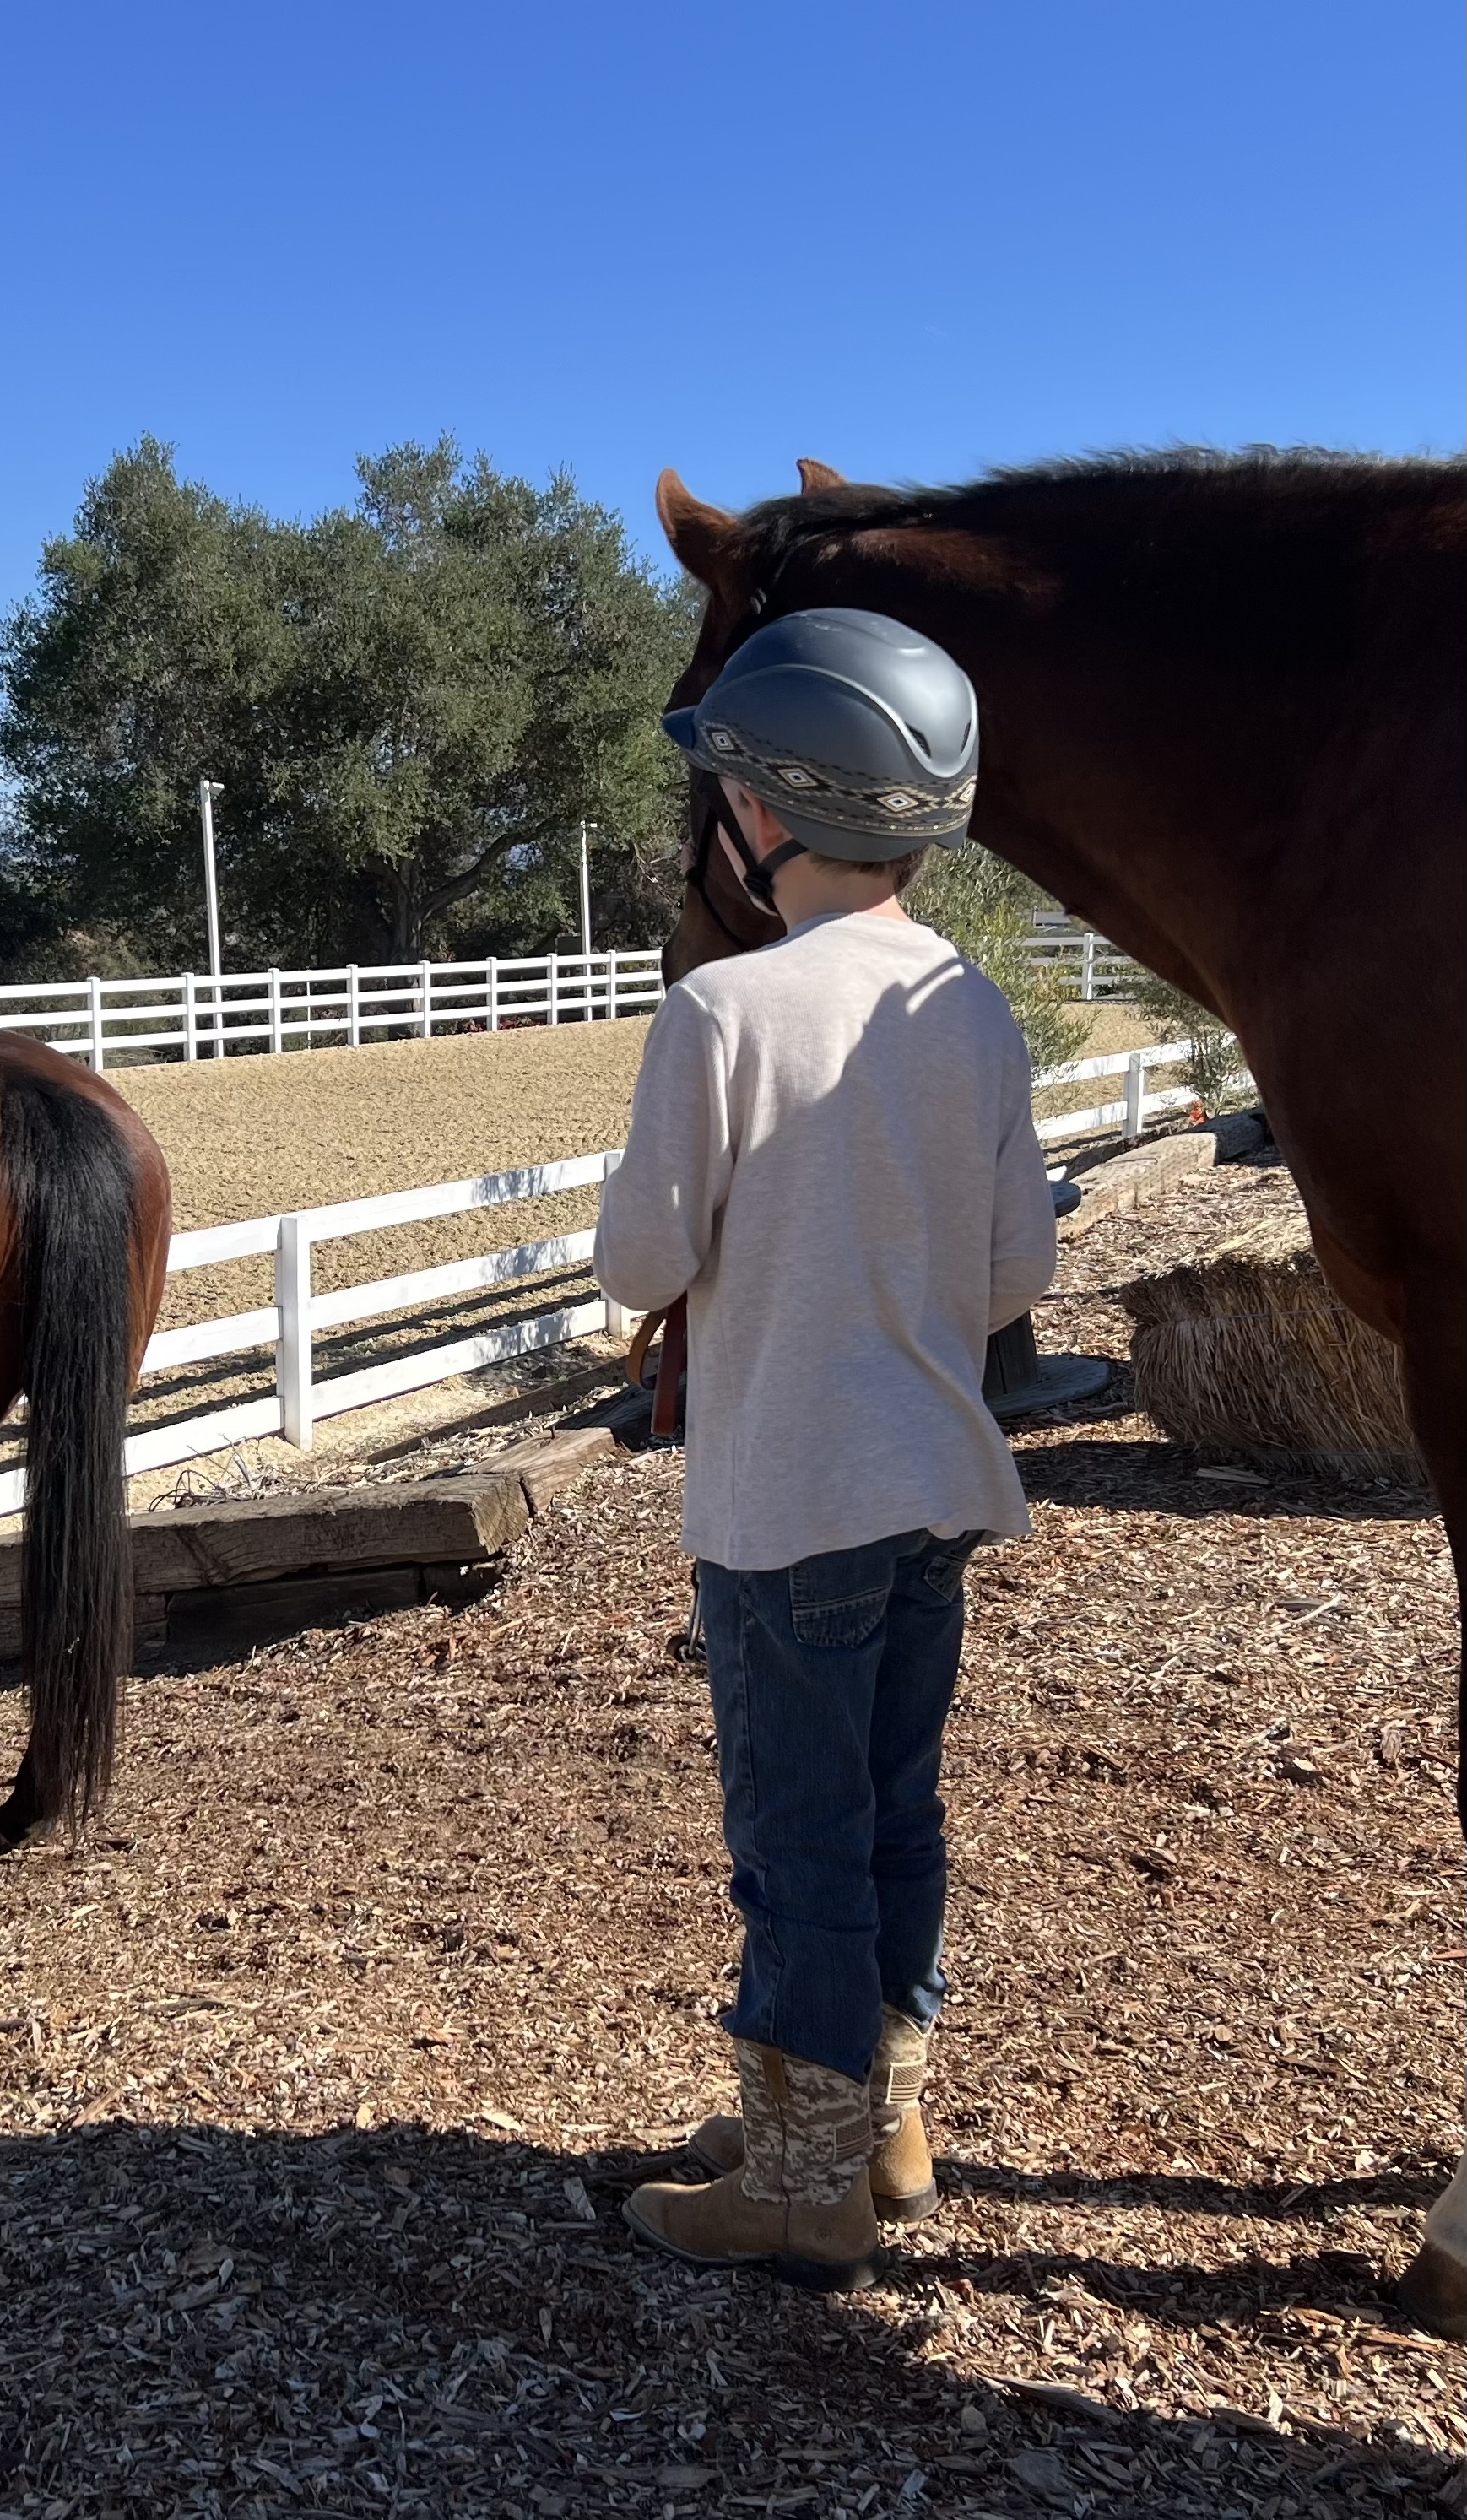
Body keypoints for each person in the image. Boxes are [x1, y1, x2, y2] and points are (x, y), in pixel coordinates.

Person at [593, 608, 1057, 2292]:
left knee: (795, 1842)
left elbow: (639, 1264)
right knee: (890, 1815)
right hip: (938, 1485)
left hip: (785, 1499)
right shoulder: (980, 1010)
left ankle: (800, 2184)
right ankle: (880, 2118)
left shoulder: (722, 1014)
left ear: (770, 811)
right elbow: (1018, 1275)